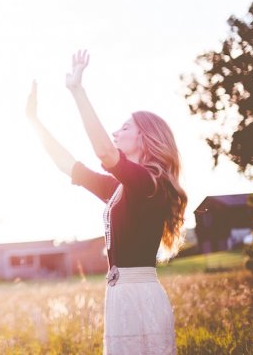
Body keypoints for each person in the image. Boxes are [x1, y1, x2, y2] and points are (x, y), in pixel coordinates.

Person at [26, 50, 187, 354]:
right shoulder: (122, 188)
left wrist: (77, 90)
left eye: (125, 128)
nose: (116, 132)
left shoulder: (149, 184)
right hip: (121, 296)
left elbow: (103, 152)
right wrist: (34, 121)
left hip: (139, 296)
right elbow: (68, 164)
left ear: (146, 138)